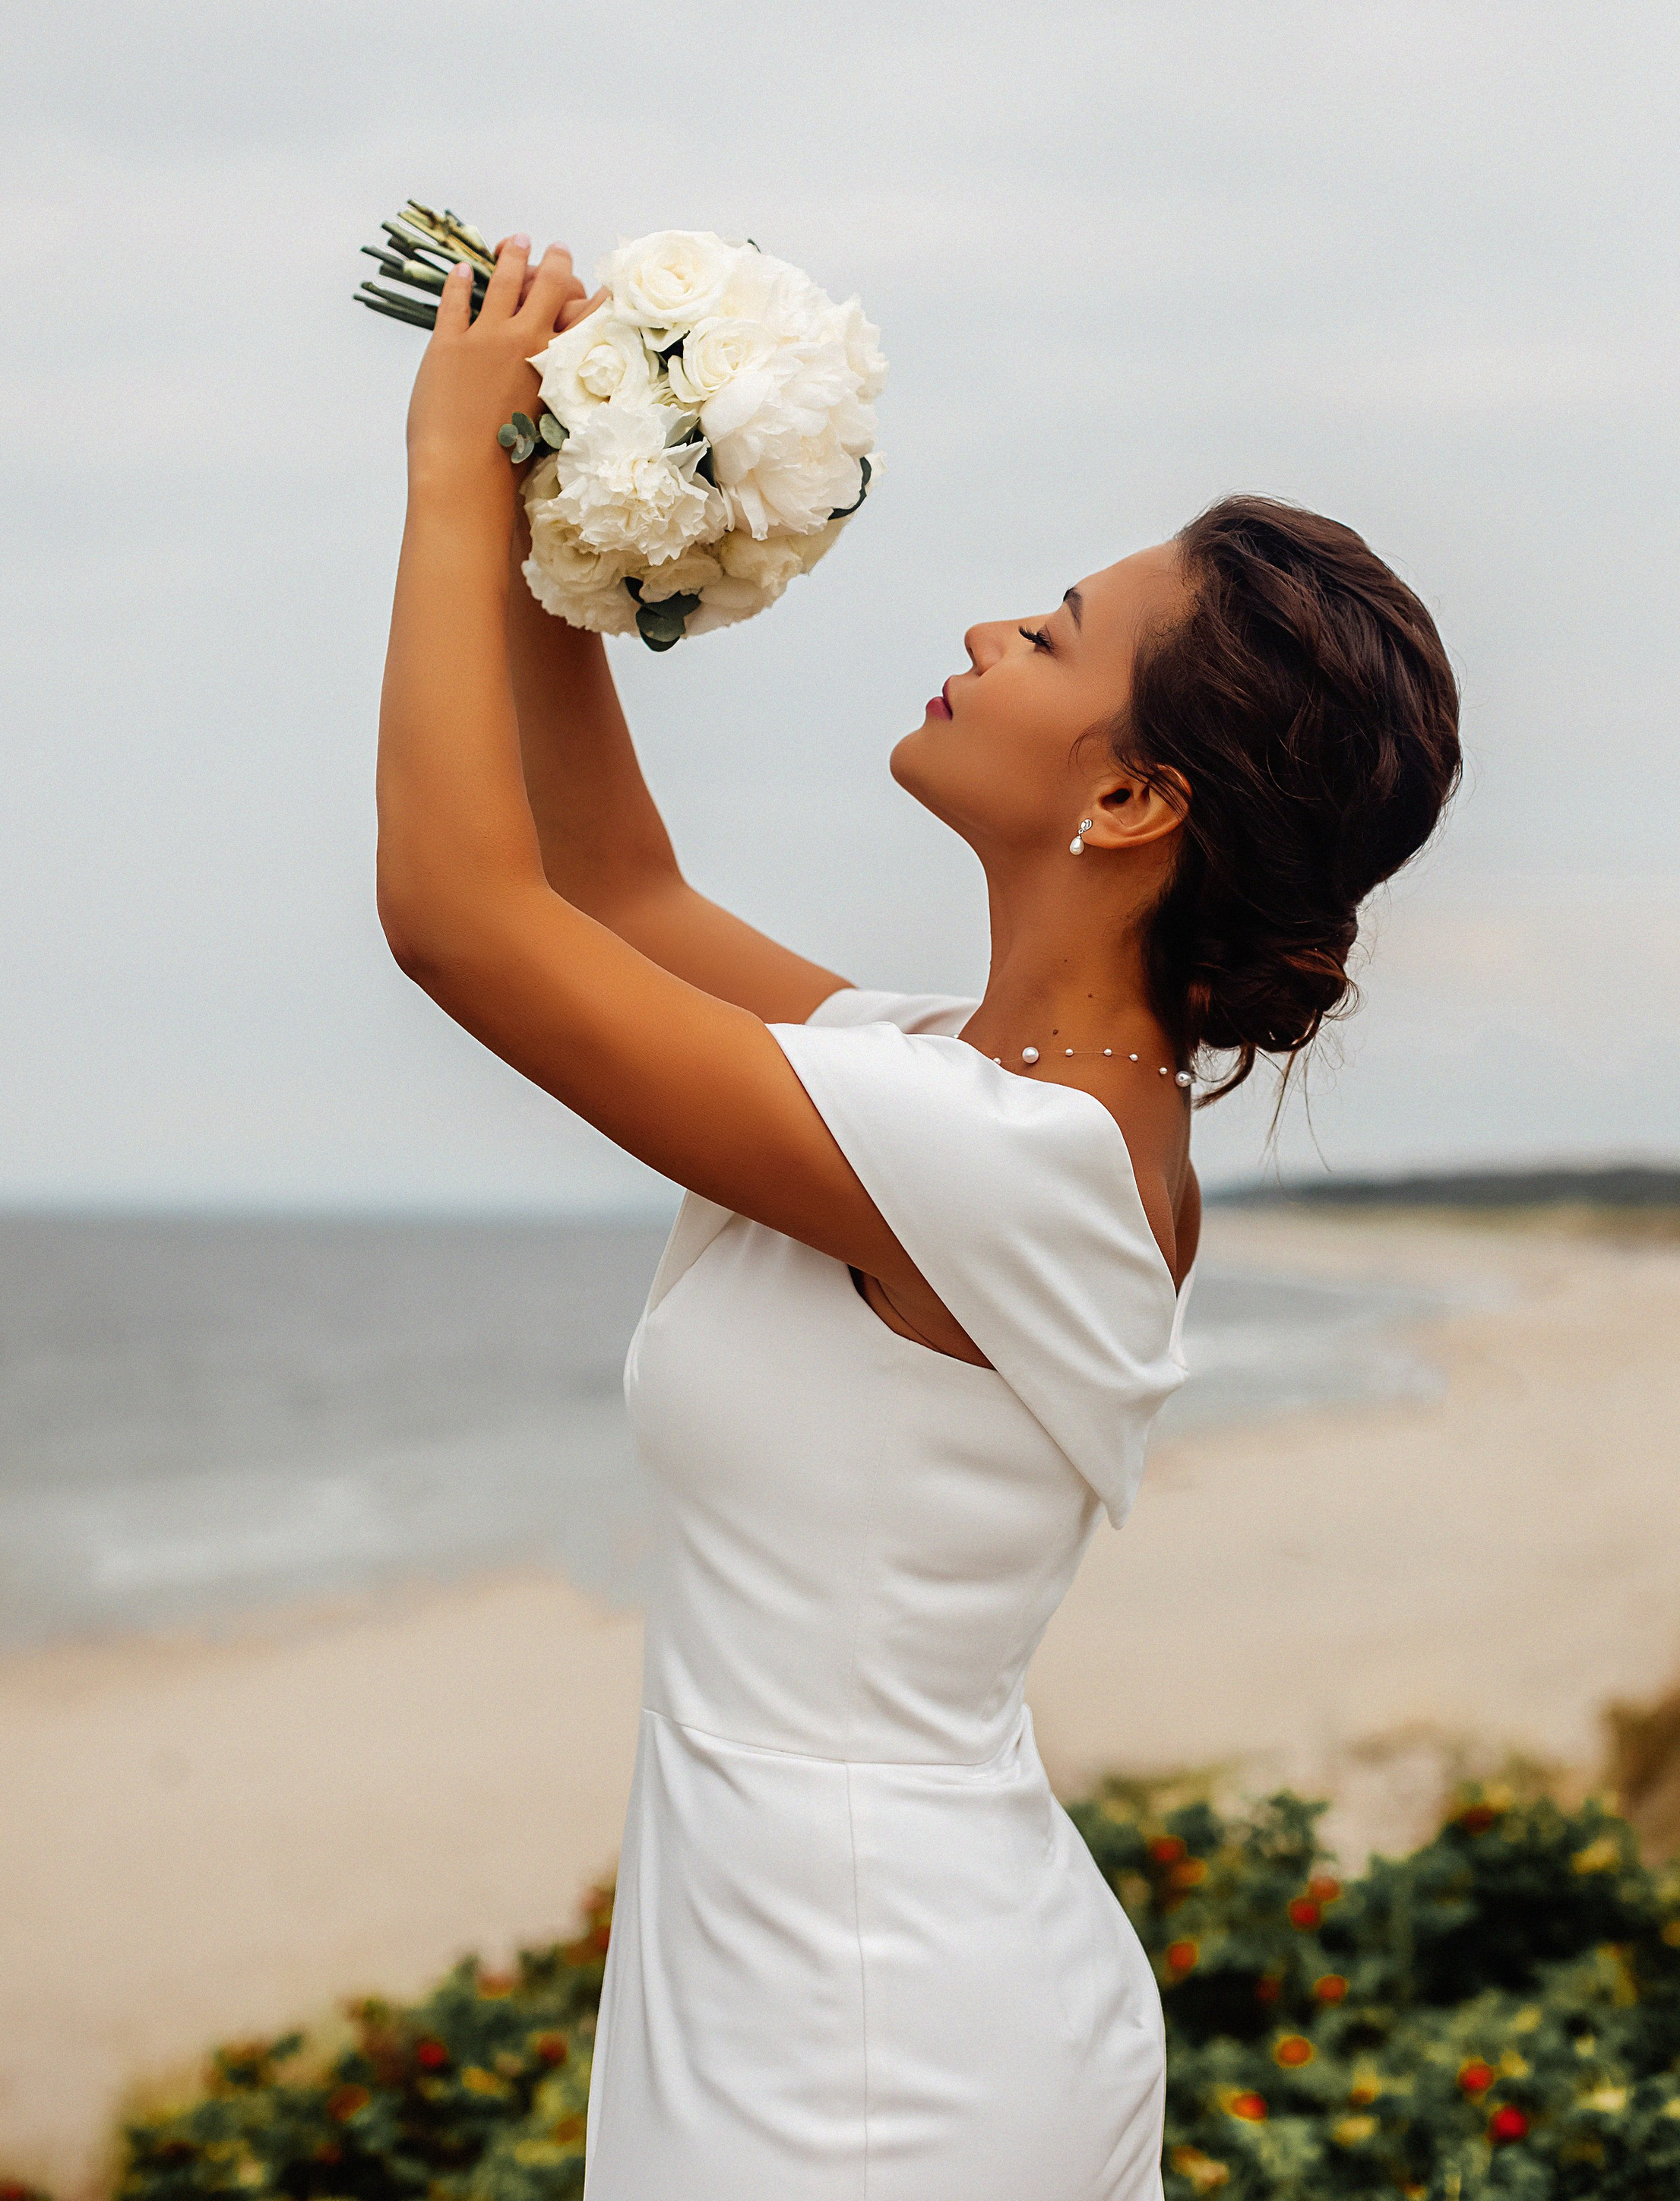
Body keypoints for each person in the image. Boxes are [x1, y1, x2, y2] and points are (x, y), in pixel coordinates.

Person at [375, 234, 1463, 2199]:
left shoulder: (1000, 1160)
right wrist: (571, 517)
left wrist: (449, 469)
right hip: (838, 1967)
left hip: (862, 2048)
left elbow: (469, 920)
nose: (986, 632)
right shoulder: (970, 1099)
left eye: (1052, 635)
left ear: (1132, 803)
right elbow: (611, 896)